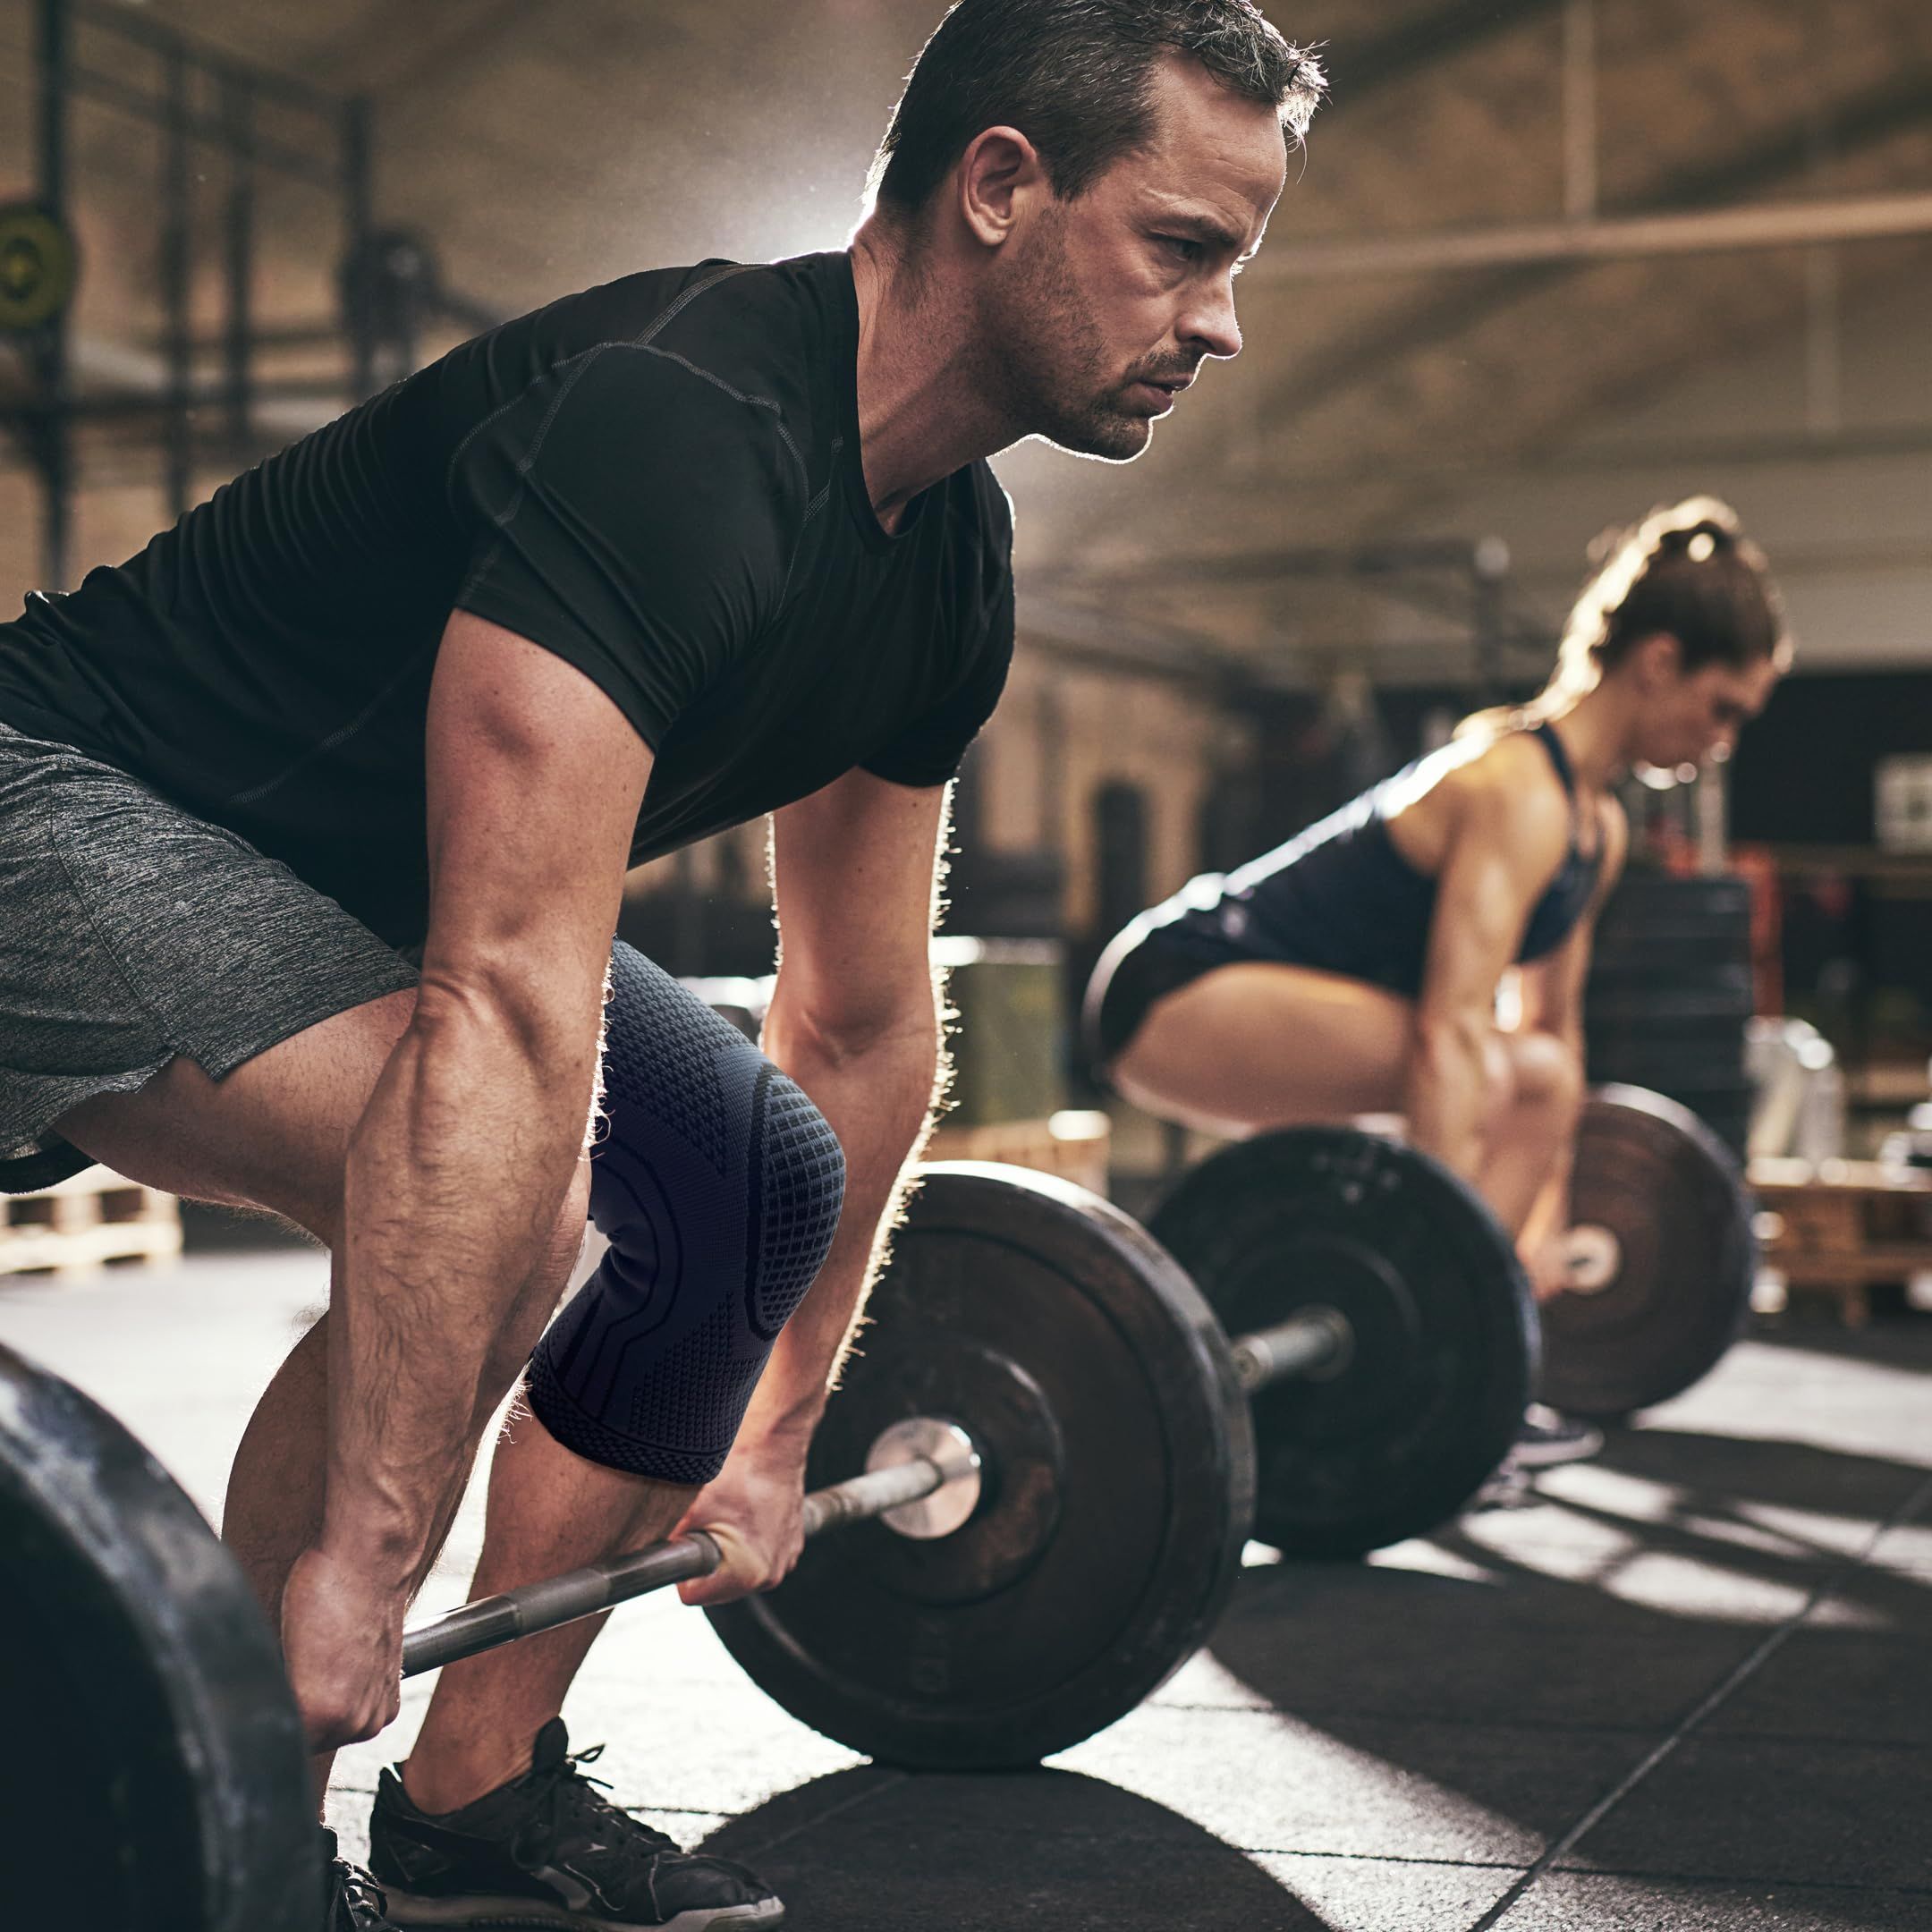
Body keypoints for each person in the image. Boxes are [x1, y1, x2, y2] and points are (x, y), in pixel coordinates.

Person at [0, 4, 1322, 1926]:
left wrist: (780, 1430)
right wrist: (362, 1563)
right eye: (1183, 248)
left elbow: (860, 1021)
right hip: (59, 794)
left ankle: (472, 1797)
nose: (1221, 323)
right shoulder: (679, 427)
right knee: (500, 1196)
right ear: (1000, 187)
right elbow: (505, 1004)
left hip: (357, 892)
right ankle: (247, 1851)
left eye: (1235, 265)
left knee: (741, 1178)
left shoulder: (944, 567)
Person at [1083, 497, 1790, 1464]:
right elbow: (1450, 1032)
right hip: (1174, 987)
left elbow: (1554, 1032)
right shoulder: (1516, 789)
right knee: (1486, 1069)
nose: (1724, 740)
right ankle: (1436, 1348)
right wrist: (1430, 1259)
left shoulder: (1596, 825)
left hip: (1278, 1006)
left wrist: (1547, 1223)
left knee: (1539, 1072)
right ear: (1659, 661)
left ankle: (1466, 1361)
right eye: (1723, 708)